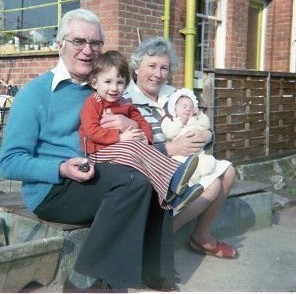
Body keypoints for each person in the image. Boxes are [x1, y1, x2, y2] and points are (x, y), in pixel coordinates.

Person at [0, 9, 181, 291]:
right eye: (78, 41)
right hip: (53, 189)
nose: (87, 50)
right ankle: (86, 279)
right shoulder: (34, 94)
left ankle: (153, 270)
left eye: (95, 43)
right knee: (132, 181)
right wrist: (60, 168)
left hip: (98, 169)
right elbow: (9, 163)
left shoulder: (105, 87)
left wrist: (125, 122)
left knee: (156, 180)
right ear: (60, 45)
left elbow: (137, 126)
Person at [100, 36, 238, 259]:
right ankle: (159, 241)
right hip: (152, 171)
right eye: (152, 66)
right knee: (211, 187)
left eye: (164, 68)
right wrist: (171, 148)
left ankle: (201, 236)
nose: (158, 74)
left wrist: (206, 135)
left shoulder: (175, 96)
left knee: (229, 171)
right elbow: (130, 152)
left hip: (189, 161)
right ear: (136, 67)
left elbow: (199, 122)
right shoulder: (124, 100)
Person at [79, 50, 204, 211]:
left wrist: (146, 138)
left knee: (141, 155)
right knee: (133, 147)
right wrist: (120, 137)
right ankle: (174, 175)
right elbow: (91, 131)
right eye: (108, 82)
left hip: (121, 150)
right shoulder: (93, 103)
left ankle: (178, 194)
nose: (114, 88)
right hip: (98, 153)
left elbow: (142, 122)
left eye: (119, 82)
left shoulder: (124, 102)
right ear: (95, 83)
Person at [161, 88, 232, 189]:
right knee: (184, 166)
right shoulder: (172, 120)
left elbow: (206, 125)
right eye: (184, 107)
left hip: (198, 153)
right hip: (179, 155)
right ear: (174, 108)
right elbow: (169, 133)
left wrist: (200, 115)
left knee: (214, 165)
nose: (188, 109)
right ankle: (188, 182)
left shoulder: (194, 119)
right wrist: (180, 122)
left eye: (190, 107)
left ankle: (202, 171)